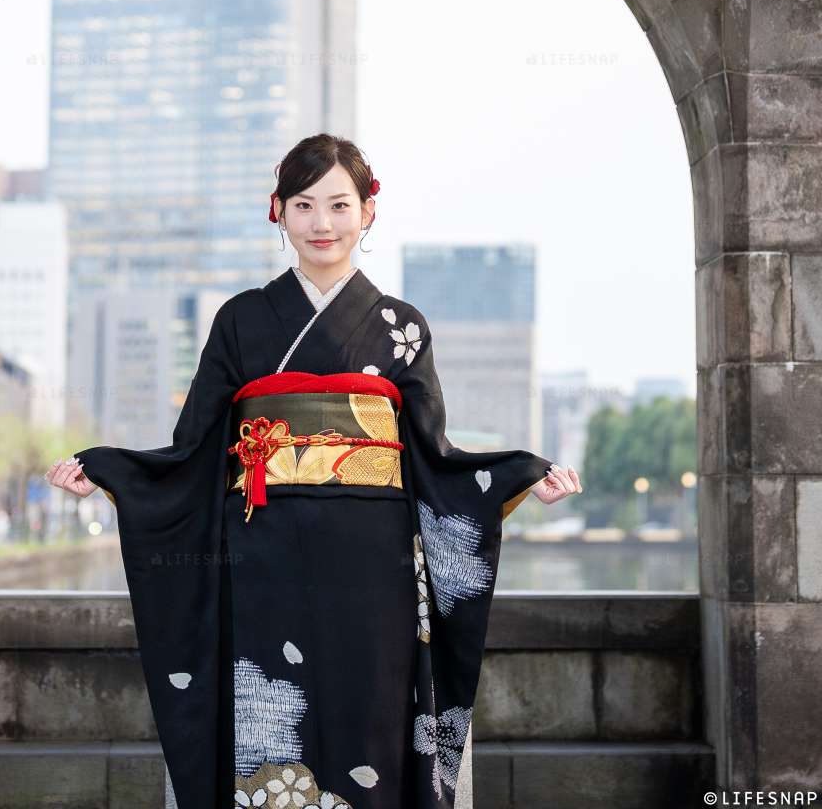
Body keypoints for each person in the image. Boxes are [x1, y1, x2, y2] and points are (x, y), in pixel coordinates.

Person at [45, 134, 583, 809]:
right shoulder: (241, 320)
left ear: (368, 212)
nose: (321, 224)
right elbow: (195, 450)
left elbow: (433, 456)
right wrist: (109, 473)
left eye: (338, 204)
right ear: (278, 212)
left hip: (374, 567)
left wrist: (522, 476)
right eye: (303, 205)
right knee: (270, 722)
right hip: (261, 560)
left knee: (372, 718)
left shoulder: (399, 327)